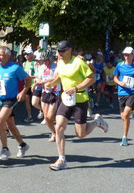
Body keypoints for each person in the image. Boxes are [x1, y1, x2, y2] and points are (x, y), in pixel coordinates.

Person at [44, 40, 109, 171]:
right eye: (58, 51)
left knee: (80, 134)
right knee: (59, 128)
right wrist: (51, 84)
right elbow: (60, 77)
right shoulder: (60, 63)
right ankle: (62, 159)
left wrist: (76, 87)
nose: (59, 53)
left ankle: (97, 122)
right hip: (66, 99)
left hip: (80, 99)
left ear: (69, 50)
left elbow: (92, 78)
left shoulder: (79, 63)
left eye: (62, 51)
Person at [0, 46, 31, 161]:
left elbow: (28, 79)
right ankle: (23, 145)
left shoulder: (15, 68)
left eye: (1, 55)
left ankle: (5, 150)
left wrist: (23, 92)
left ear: (8, 56)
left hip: (10, 99)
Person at [34, 50, 60, 141]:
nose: (45, 62)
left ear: (50, 58)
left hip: (54, 93)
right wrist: (37, 82)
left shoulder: (56, 66)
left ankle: (59, 126)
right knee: (46, 117)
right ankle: (54, 133)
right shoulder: (42, 67)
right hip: (45, 92)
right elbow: (40, 79)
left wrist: (42, 81)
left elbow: (55, 78)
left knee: (50, 116)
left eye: (46, 60)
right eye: (43, 60)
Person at [22, 48, 36, 122]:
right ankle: (29, 115)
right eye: (25, 54)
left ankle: (43, 112)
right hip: (27, 84)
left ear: (31, 55)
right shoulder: (24, 64)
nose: (26, 56)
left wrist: (30, 77)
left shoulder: (34, 63)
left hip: (34, 84)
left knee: (35, 101)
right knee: (27, 100)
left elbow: (37, 74)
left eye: (28, 54)